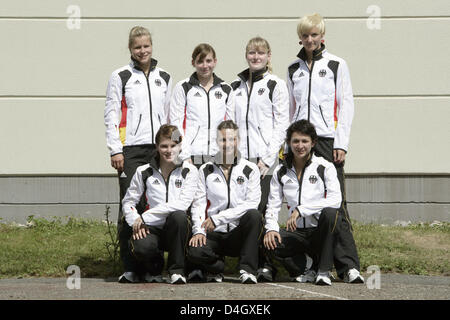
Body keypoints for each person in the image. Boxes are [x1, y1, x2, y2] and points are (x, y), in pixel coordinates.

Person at [286, 13, 364, 283]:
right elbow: (291, 111)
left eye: (314, 35)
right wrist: (289, 144)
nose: (310, 39)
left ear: (322, 37)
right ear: (301, 38)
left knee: (336, 203)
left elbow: (346, 105)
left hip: (328, 141)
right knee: (305, 201)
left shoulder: (336, 65)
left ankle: (348, 266)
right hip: (301, 142)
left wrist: (341, 143)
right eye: (305, 35)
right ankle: (317, 265)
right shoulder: (293, 69)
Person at [104, 26, 173, 283]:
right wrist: (116, 149)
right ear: (131, 49)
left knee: (157, 205)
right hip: (131, 149)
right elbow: (111, 114)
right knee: (129, 206)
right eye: (137, 47)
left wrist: (175, 148)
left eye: (146, 46)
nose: (142, 51)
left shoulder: (164, 76)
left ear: (151, 46)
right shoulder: (120, 76)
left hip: (159, 149)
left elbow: (170, 117)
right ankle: (131, 266)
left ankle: (156, 267)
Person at [231, 36, 290, 281]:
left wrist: (266, 159)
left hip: (263, 162)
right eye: (252, 53)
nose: (256, 57)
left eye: (261, 53)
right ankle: (248, 263)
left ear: (268, 56)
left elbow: (282, 124)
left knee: (265, 211)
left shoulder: (275, 84)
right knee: (246, 212)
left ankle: (266, 264)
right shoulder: (235, 86)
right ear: (246, 55)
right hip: (242, 162)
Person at [264, 120, 342, 285]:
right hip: (297, 232)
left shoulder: (325, 166)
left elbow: (336, 199)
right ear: (289, 143)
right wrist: (271, 228)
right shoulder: (281, 171)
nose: (300, 146)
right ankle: (308, 266)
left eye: (305, 141)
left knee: (331, 213)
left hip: (319, 232)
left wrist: (301, 210)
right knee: (268, 242)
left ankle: (323, 271)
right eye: (295, 141)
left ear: (313, 143)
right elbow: (272, 205)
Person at [187, 120, 263, 284]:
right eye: (223, 139)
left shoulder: (250, 169)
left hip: (238, 233)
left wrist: (220, 218)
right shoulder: (206, 169)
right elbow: (199, 204)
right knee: (194, 252)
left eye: (232, 139)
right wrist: (199, 231)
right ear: (216, 141)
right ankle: (218, 268)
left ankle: (247, 270)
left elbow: (252, 203)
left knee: (254, 215)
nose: (227, 144)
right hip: (213, 233)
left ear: (239, 141)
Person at [121, 124, 199, 284]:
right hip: (151, 227)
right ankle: (153, 269)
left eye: (173, 145)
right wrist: (136, 222)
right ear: (156, 147)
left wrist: (146, 215)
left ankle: (176, 271)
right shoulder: (143, 171)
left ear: (180, 146)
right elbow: (129, 201)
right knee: (142, 246)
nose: (169, 150)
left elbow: (182, 204)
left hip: (176, 229)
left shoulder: (189, 171)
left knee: (179, 216)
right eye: (164, 146)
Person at [169, 43, 234, 167]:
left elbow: (230, 126)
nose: (205, 66)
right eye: (200, 61)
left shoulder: (226, 89)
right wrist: (184, 155)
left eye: (208, 61)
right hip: (192, 156)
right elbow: (175, 124)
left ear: (215, 61)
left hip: (218, 156)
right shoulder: (183, 87)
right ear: (193, 62)